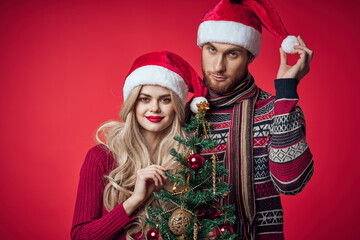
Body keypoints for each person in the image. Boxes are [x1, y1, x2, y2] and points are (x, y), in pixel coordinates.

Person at [195, 0, 314, 239]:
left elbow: (291, 182)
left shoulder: (276, 109)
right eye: (211, 49)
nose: (218, 66)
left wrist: (286, 90)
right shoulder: (187, 115)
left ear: (250, 56)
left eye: (232, 54)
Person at [71, 51, 207, 240]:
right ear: (133, 104)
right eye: (145, 98)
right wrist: (135, 200)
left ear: (176, 105)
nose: (155, 108)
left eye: (165, 99)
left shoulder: (189, 159)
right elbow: (80, 237)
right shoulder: (101, 157)